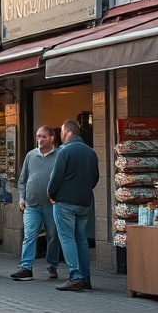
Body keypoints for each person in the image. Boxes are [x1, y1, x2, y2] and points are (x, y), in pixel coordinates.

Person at [47, 119, 99, 292]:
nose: (60, 136)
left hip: (65, 202)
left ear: (67, 133)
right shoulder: (91, 152)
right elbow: (95, 177)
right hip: (84, 202)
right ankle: (86, 277)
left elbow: (55, 178)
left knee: (67, 237)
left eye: (62, 132)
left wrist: (51, 195)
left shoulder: (64, 151)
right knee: (81, 238)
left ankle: (75, 275)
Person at [10, 125, 61, 281]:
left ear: (52, 138)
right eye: (38, 136)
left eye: (43, 136)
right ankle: (25, 267)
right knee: (29, 235)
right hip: (31, 204)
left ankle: (52, 265)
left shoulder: (59, 155)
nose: (40, 139)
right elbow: (22, 180)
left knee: (53, 236)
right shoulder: (31, 155)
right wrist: (22, 197)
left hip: (51, 205)